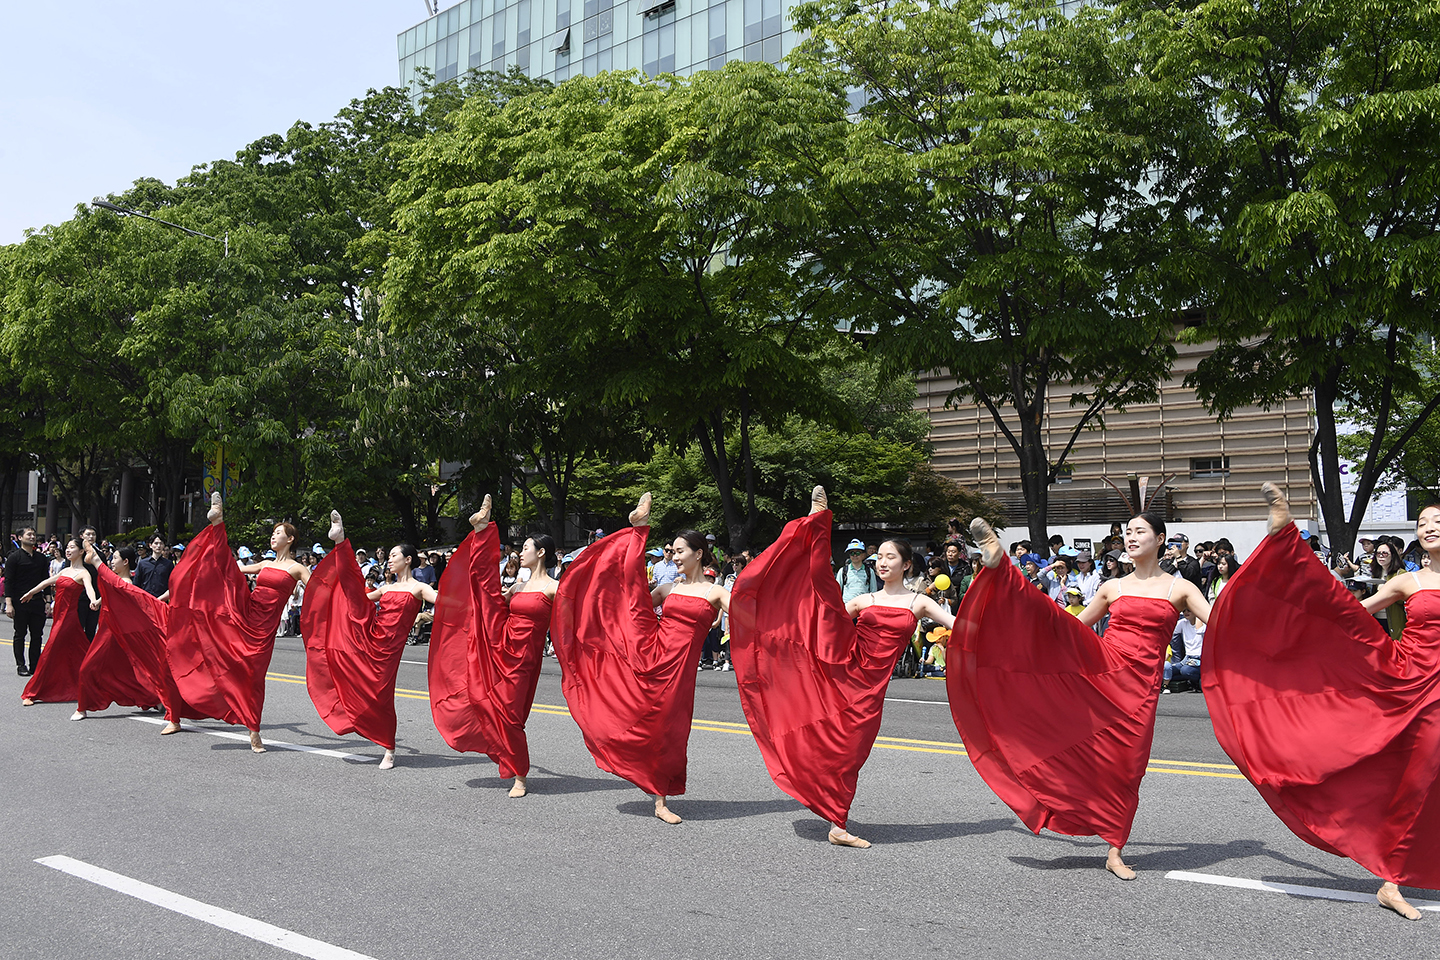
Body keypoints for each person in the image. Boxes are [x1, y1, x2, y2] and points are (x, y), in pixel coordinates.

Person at [1204, 485, 1440, 921]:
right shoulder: (1409, 581)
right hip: (1410, 681)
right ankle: (1391, 881)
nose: (1429, 527)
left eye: (1437, 521)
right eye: (1423, 522)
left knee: (1425, 779)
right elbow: (1348, 612)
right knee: (1417, 777)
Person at [952, 511, 1212, 880]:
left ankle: (1114, 849)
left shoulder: (1180, 588)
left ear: (1161, 538)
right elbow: (1069, 630)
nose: (1132, 537)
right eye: (1128, 532)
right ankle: (1004, 567)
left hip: (1140, 689)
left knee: (1126, 768)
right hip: (1104, 670)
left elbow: (1219, 623)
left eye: (1140, 531)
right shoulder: (1112, 587)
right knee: (1051, 623)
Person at [730, 487, 956, 848]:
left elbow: (958, 625)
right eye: (877, 556)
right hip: (847, 673)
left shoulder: (919, 602)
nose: (881, 562)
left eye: (889, 557)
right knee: (839, 745)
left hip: (871, 688)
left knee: (851, 750)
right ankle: (838, 823)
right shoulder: (863, 600)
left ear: (906, 564)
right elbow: (824, 616)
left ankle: (835, 816)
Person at [552, 494, 727, 825]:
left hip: (679, 671)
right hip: (653, 656)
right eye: (671, 551)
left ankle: (659, 794)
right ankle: (638, 530)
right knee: (651, 724)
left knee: (668, 731)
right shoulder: (669, 589)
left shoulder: (715, 592)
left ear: (699, 554)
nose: (673, 556)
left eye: (679, 551)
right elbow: (631, 603)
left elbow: (751, 616)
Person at [430, 495, 558, 797]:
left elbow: (577, 614)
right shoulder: (518, 587)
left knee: (510, 715)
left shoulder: (555, 587)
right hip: (502, 648)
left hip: (524, 659)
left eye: (525, 547)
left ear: (541, 553)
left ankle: (520, 776)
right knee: (483, 700)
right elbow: (487, 599)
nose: (520, 552)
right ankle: (482, 530)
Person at [165, 493, 307, 751]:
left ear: (291, 539)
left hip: (264, 629)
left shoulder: (297, 568)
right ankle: (218, 523)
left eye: (278, 533)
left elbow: (319, 590)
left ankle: (253, 729)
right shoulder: (264, 563)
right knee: (227, 572)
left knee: (253, 676)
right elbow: (229, 568)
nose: (273, 536)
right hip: (246, 612)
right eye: (272, 533)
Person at [301, 511, 434, 769]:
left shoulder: (418, 587)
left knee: (381, 696)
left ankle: (388, 747)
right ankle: (340, 542)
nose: (390, 560)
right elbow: (355, 599)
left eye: (394, 556)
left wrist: (434, 613)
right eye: (390, 556)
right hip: (370, 637)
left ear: (408, 560)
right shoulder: (386, 588)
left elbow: (442, 599)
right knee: (353, 591)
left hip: (388, 650)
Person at [71, 546, 164, 720]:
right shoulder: (117, 581)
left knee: (87, 668)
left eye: (115, 558)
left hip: (113, 634)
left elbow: (110, 582)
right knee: (126, 671)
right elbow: (109, 590)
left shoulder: (126, 583)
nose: (112, 561)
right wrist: (98, 601)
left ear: (126, 562)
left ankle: (82, 707)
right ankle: (154, 699)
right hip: (107, 630)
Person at [18, 536, 100, 706]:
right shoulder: (64, 571)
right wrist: (31, 593)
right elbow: (45, 583)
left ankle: (32, 692)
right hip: (58, 618)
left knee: (49, 652)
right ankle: (96, 682)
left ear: (81, 551)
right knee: (78, 652)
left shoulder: (83, 572)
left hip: (68, 620)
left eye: (72, 547)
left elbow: (90, 589)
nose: (68, 550)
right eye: (67, 547)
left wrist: (93, 600)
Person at [5, 527, 49, 676]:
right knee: (20, 634)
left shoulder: (41, 558)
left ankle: (35, 666)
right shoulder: (14, 557)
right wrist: (9, 603)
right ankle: (21, 665)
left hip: (37, 602)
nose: (32, 537)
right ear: (19, 538)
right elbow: (9, 582)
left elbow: (46, 580)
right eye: (29, 534)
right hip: (20, 602)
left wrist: (48, 601)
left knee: (37, 635)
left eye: (34, 534)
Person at [1163, 609, 1204, 692]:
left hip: (1200, 659)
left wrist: (1199, 617)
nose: (1186, 613)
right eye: (1184, 611)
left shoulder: (1204, 624)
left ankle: (1200, 679)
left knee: (1185, 670)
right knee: (1166, 672)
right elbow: (1170, 632)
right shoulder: (1182, 623)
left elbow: (1199, 631)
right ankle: (1191, 680)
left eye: (1189, 610)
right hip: (1186, 659)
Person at [836, 539, 877, 603]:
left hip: (864, 606)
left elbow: (873, 591)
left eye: (857, 553)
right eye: (852, 553)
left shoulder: (869, 571)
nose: (855, 555)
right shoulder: (843, 571)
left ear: (863, 555)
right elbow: (837, 591)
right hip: (847, 607)